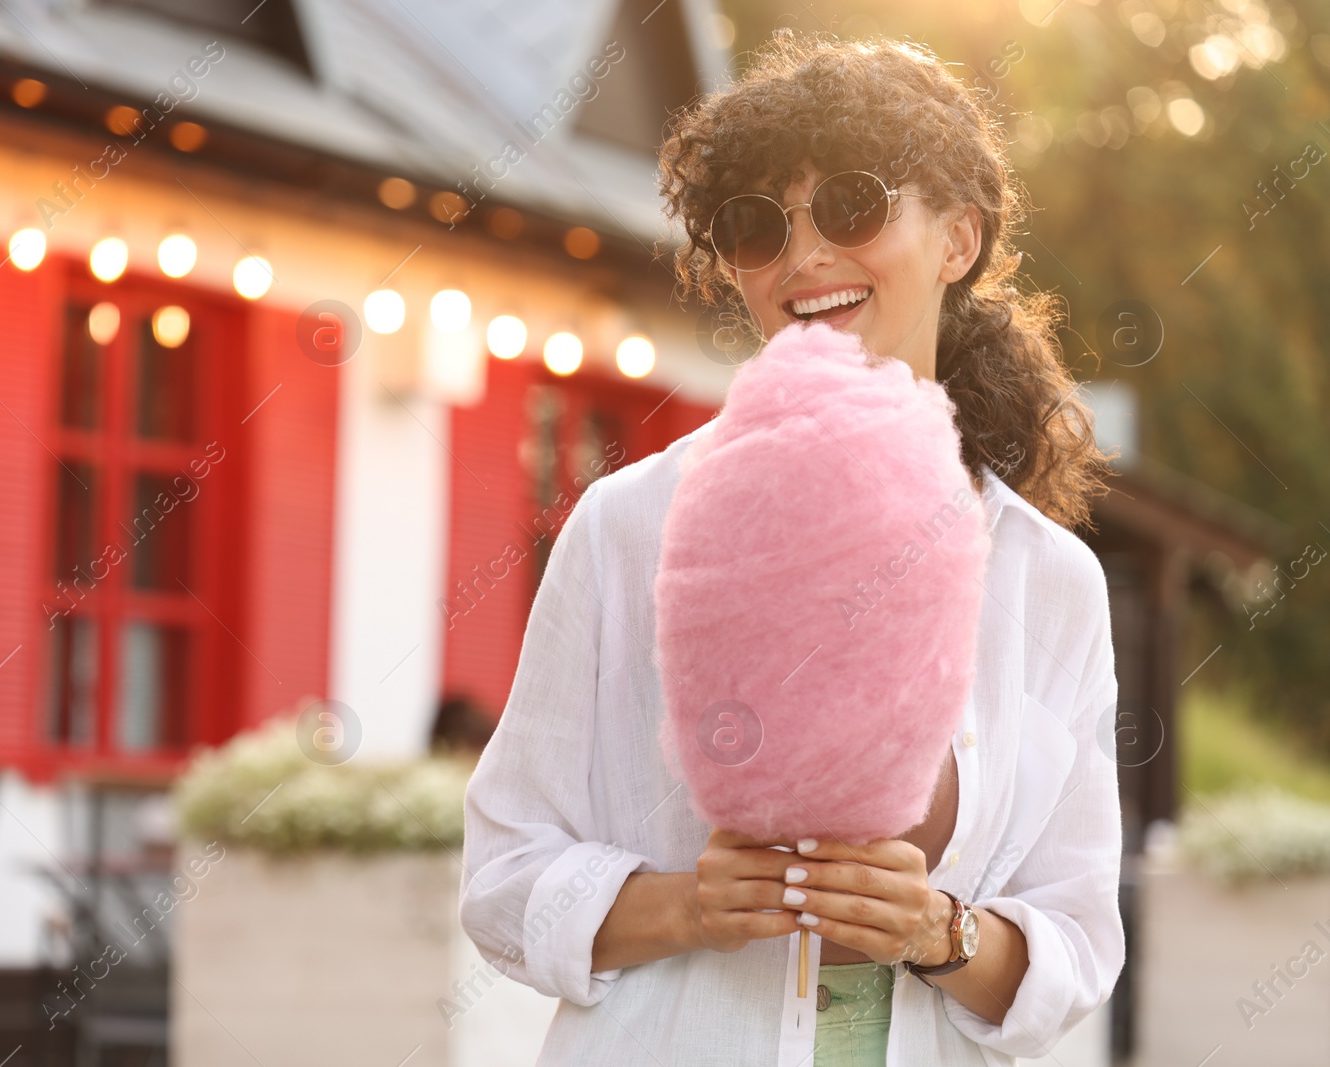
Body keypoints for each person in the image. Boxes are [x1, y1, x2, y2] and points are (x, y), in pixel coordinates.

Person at [459, 31, 1124, 1067]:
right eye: (756, 225)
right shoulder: (631, 524)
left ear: (957, 238)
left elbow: (1077, 941)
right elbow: (502, 876)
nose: (805, 256)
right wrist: (686, 906)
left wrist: (935, 931)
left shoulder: (1049, 582)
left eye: (852, 205)